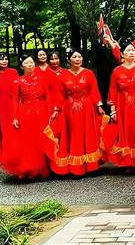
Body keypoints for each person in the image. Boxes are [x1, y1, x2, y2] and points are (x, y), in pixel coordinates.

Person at [43, 48, 106, 176]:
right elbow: (60, 94)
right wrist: (56, 110)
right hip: (69, 110)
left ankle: (91, 166)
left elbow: (94, 90)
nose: (78, 59)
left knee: (88, 134)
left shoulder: (89, 73)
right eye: (75, 57)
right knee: (74, 135)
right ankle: (75, 167)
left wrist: (98, 105)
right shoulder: (63, 75)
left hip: (87, 108)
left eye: (79, 57)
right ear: (69, 60)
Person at [1, 53, 58, 180]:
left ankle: (44, 168)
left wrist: (52, 112)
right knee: (28, 141)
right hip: (25, 113)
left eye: (32, 62)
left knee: (43, 139)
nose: (30, 65)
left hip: (42, 111)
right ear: (22, 66)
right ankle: (28, 168)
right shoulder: (17, 81)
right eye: (27, 63)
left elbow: (48, 96)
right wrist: (15, 117)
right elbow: (15, 100)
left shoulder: (42, 78)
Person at [105, 43, 135, 167]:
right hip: (123, 106)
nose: (131, 52)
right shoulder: (116, 71)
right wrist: (113, 109)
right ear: (122, 54)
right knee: (126, 131)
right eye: (128, 50)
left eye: (133, 50)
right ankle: (128, 162)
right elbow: (113, 91)